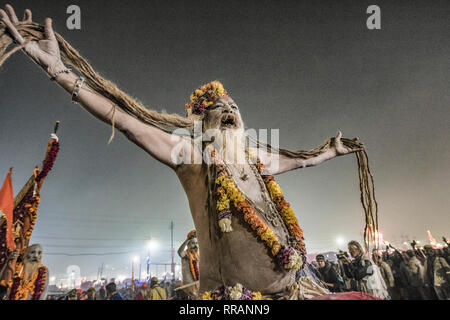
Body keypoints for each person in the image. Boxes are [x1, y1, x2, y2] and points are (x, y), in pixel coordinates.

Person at [0, 5, 366, 299]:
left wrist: (329, 152)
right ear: (201, 125)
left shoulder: (255, 162)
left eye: (233, 106)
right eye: (218, 109)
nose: (229, 111)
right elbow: (126, 121)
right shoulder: (192, 157)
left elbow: (299, 160)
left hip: (297, 291)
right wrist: (59, 70)